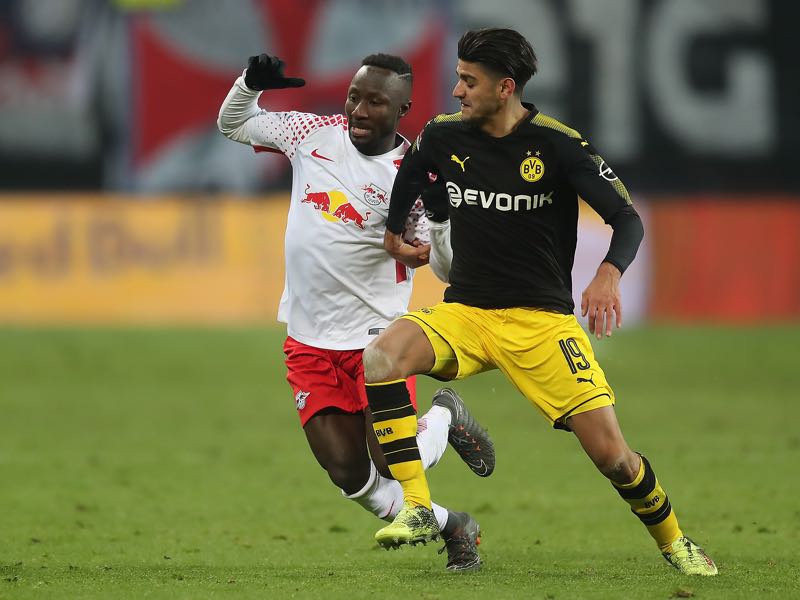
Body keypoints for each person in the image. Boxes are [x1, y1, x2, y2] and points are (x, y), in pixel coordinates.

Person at [361, 28, 718, 576]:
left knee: (613, 458)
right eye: (457, 77)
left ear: (506, 88)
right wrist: (394, 231)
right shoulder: (444, 134)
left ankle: (675, 542)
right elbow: (415, 169)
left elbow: (627, 218)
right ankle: (415, 506)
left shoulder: (558, 145)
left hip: (541, 325)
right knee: (382, 358)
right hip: (467, 313)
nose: (456, 90)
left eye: (468, 81)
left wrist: (608, 275)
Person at [216, 52, 495, 571]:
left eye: (375, 102)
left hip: (376, 343)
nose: (359, 110)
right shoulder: (312, 132)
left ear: (402, 109)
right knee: (348, 474)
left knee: (393, 459)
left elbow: (449, 269)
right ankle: (454, 526)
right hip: (307, 340)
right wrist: (250, 84)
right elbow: (233, 122)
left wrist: (437, 217)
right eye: (354, 96)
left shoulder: (413, 175)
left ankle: (442, 416)